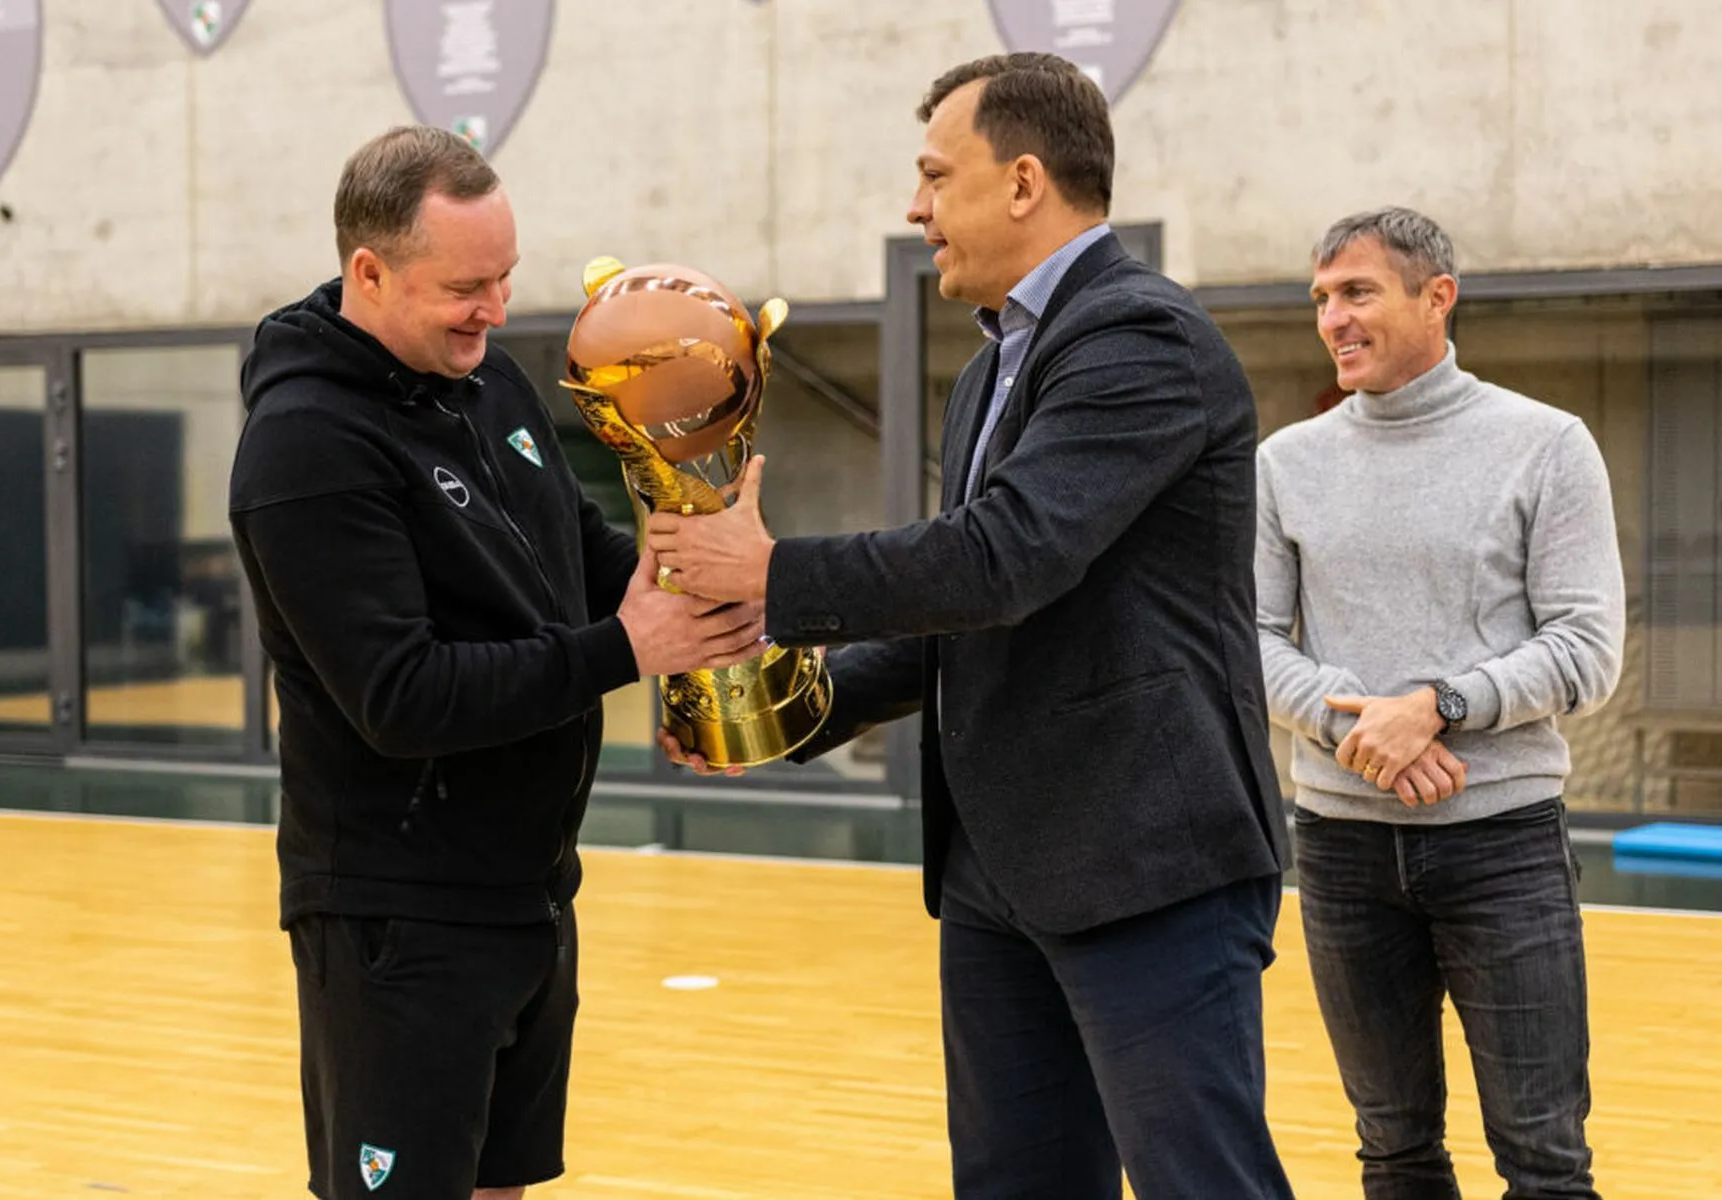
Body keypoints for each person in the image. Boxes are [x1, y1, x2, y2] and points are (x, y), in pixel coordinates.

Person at [647, 54, 1294, 1200]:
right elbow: (970, 618)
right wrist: (778, 713)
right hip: (1001, 865)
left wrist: (771, 573)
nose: (915, 208)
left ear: (1023, 182)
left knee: (1204, 1185)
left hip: (1144, 861)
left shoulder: (1138, 340)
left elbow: (1007, 559)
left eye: (934, 176)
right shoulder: (997, 362)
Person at [228, 125, 764, 1200]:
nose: (497, 307)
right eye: (466, 285)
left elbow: (585, 557)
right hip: (396, 917)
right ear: (369, 273)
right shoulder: (304, 444)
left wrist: (715, 578)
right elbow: (401, 697)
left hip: (529, 892)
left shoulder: (491, 384)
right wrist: (626, 649)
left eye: (507, 276)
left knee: (501, 1185)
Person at [1255, 206, 1625, 1199]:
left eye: (1357, 293)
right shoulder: (1283, 462)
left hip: (1500, 845)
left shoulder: (1545, 446)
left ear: (1436, 297)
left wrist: (1440, 704)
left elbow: (1586, 650)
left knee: (1544, 1162)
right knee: (1392, 1151)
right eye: (1320, 298)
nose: (1332, 318)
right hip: (1337, 850)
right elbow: (1248, 642)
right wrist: (1363, 730)